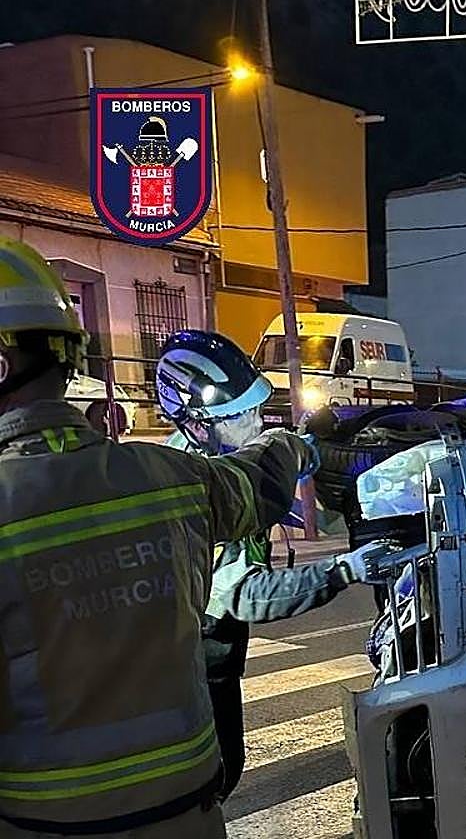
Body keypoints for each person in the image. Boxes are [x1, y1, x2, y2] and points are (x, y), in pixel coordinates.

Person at [0, 237, 313, 837]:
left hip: (51, 823)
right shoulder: (170, 478)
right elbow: (259, 483)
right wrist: (294, 442)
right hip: (189, 809)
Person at [156, 330, 375, 801]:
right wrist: (344, 570)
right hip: (193, 665)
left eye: (257, 410)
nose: (255, 424)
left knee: (219, 772)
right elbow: (244, 594)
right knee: (209, 779)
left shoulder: (218, 464)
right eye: (239, 416)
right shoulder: (194, 492)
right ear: (198, 425)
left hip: (206, 661)